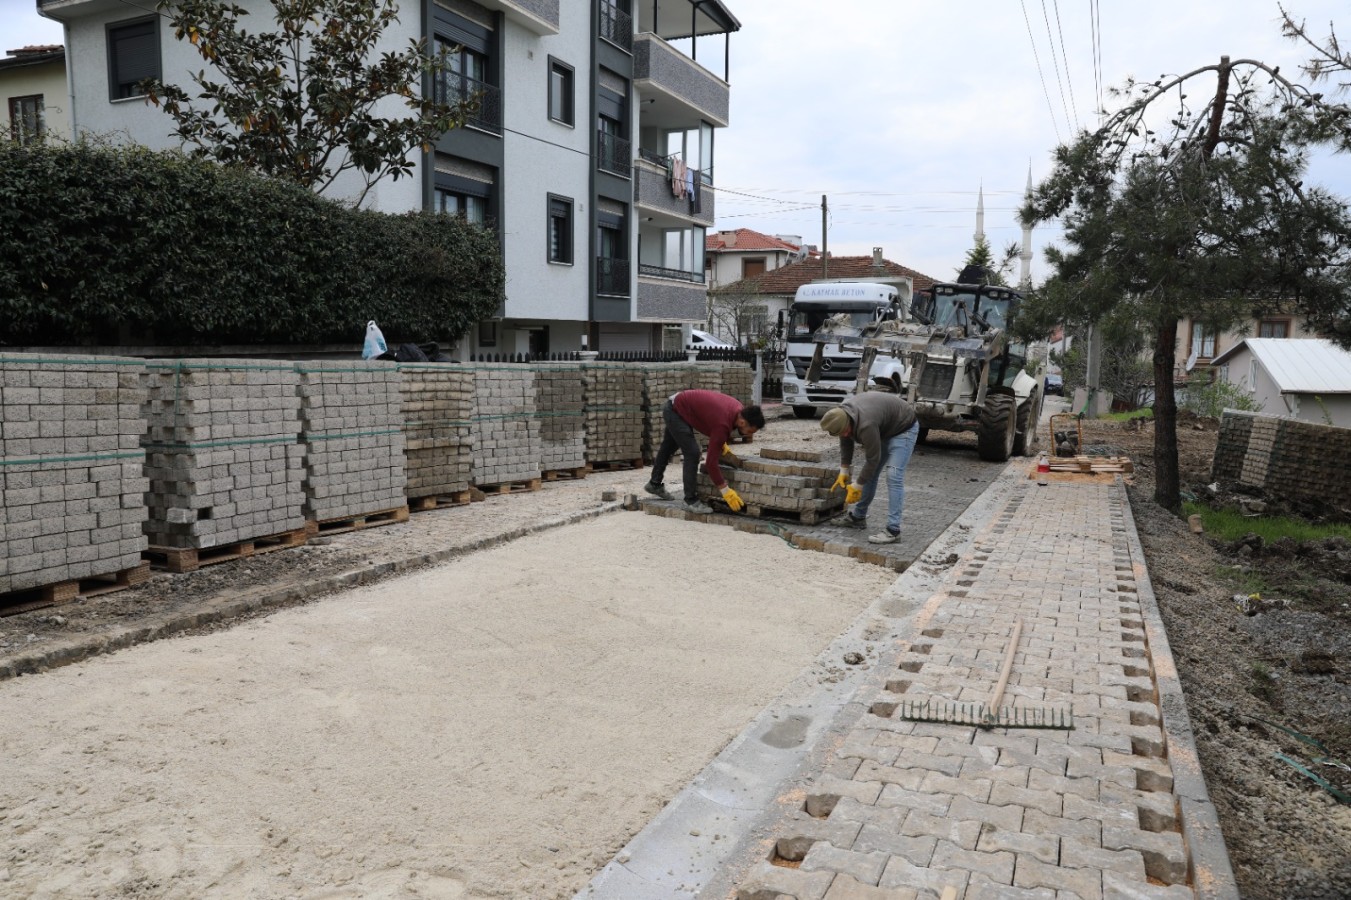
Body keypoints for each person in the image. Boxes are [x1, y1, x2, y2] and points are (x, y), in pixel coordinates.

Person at [643, 390, 765, 514]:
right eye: (750, 431)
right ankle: (690, 501)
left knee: (668, 447)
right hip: (675, 410)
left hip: (679, 405)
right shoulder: (723, 425)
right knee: (693, 453)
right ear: (742, 422)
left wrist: (720, 443)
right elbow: (711, 465)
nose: (749, 434)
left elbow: (712, 422)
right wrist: (725, 491)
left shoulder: (738, 410)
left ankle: (654, 484)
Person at [820, 392, 919, 544]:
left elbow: (873, 459)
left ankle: (894, 530)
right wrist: (844, 470)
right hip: (884, 426)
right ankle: (858, 518)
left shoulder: (866, 424)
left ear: (848, 423)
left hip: (903, 427)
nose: (846, 434)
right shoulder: (841, 417)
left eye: (846, 431)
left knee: (893, 475)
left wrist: (858, 485)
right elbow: (846, 442)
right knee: (870, 475)